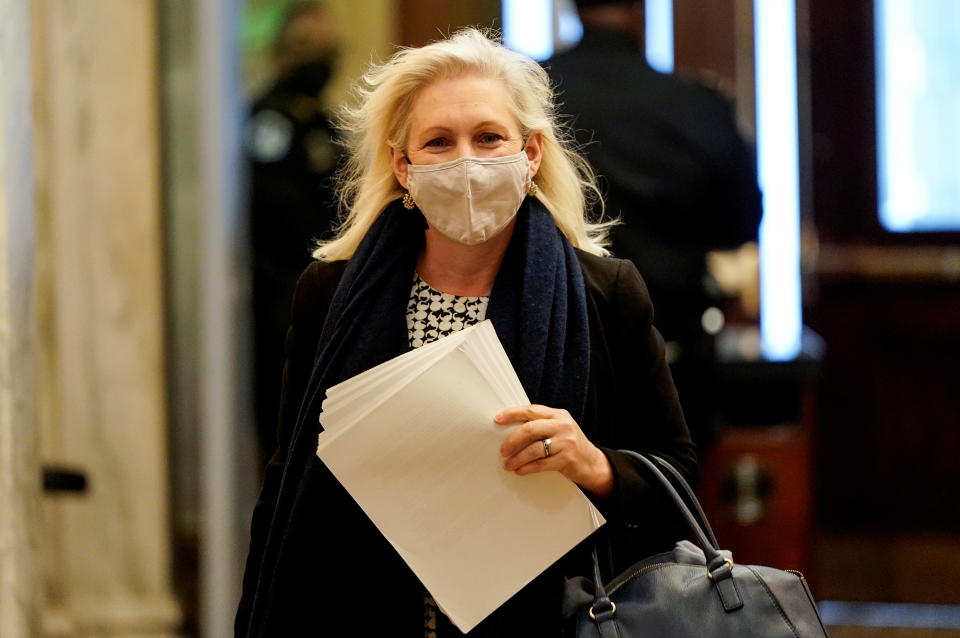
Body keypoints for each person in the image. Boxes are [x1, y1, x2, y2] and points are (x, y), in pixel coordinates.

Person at [236, 28, 697, 637]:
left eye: (488, 138)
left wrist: (596, 465)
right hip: (364, 614)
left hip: (550, 620)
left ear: (530, 153)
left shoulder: (604, 294)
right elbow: (287, 480)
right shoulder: (329, 295)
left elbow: (677, 473)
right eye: (437, 142)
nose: (467, 163)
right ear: (402, 166)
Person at [546, 0, 763, 451]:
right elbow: (741, 224)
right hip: (672, 352)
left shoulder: (531, 97)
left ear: (568, 7)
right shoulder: (697, 105)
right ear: (644, 9)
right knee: (669, 505)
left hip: (553, 350)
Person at [246, 1, 343, 467]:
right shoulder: (267, 123)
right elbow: (274, 215)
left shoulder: (328, 126)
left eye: (326, 48)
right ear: (281, 53)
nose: (318, 57)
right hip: (279, 301)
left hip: (331, 299)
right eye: (306, 47)